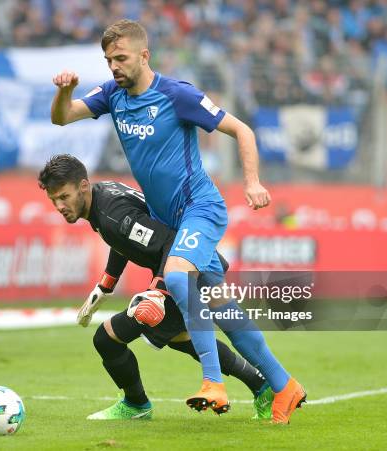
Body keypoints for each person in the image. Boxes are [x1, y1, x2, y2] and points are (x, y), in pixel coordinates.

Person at [51, 19, 305, 424]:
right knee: (224, 311)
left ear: (144, 55)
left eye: (121, 58)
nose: (114, 66)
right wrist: (64, 91)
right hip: (170, 219)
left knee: (177, 275)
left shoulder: (176, 94)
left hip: (200, 208)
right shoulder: (112, 95)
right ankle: (284, 386)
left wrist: (253, 182)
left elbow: (242, 129)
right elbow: (63, 118)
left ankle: (212, 381)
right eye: (108, 59)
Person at [38, 154, 273, 420]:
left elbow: (170, 241)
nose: (59, 205)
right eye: (53, 200)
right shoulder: (101, 197)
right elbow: (121, 241)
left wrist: (158, 291)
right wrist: (105, 286)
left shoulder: (112, 213)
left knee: (106, 339)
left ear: (82, 186)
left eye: (63, 197)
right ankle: (262, 386)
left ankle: (136, 405)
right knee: (181, 339)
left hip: (186, 271)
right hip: (196, 265)